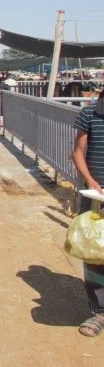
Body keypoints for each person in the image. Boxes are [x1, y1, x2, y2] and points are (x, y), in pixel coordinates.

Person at [71, 94, 104, 337]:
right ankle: (100, 312)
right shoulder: (89, 114)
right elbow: (78, 153)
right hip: (96, 195)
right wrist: (91, 182)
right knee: (94, 253)